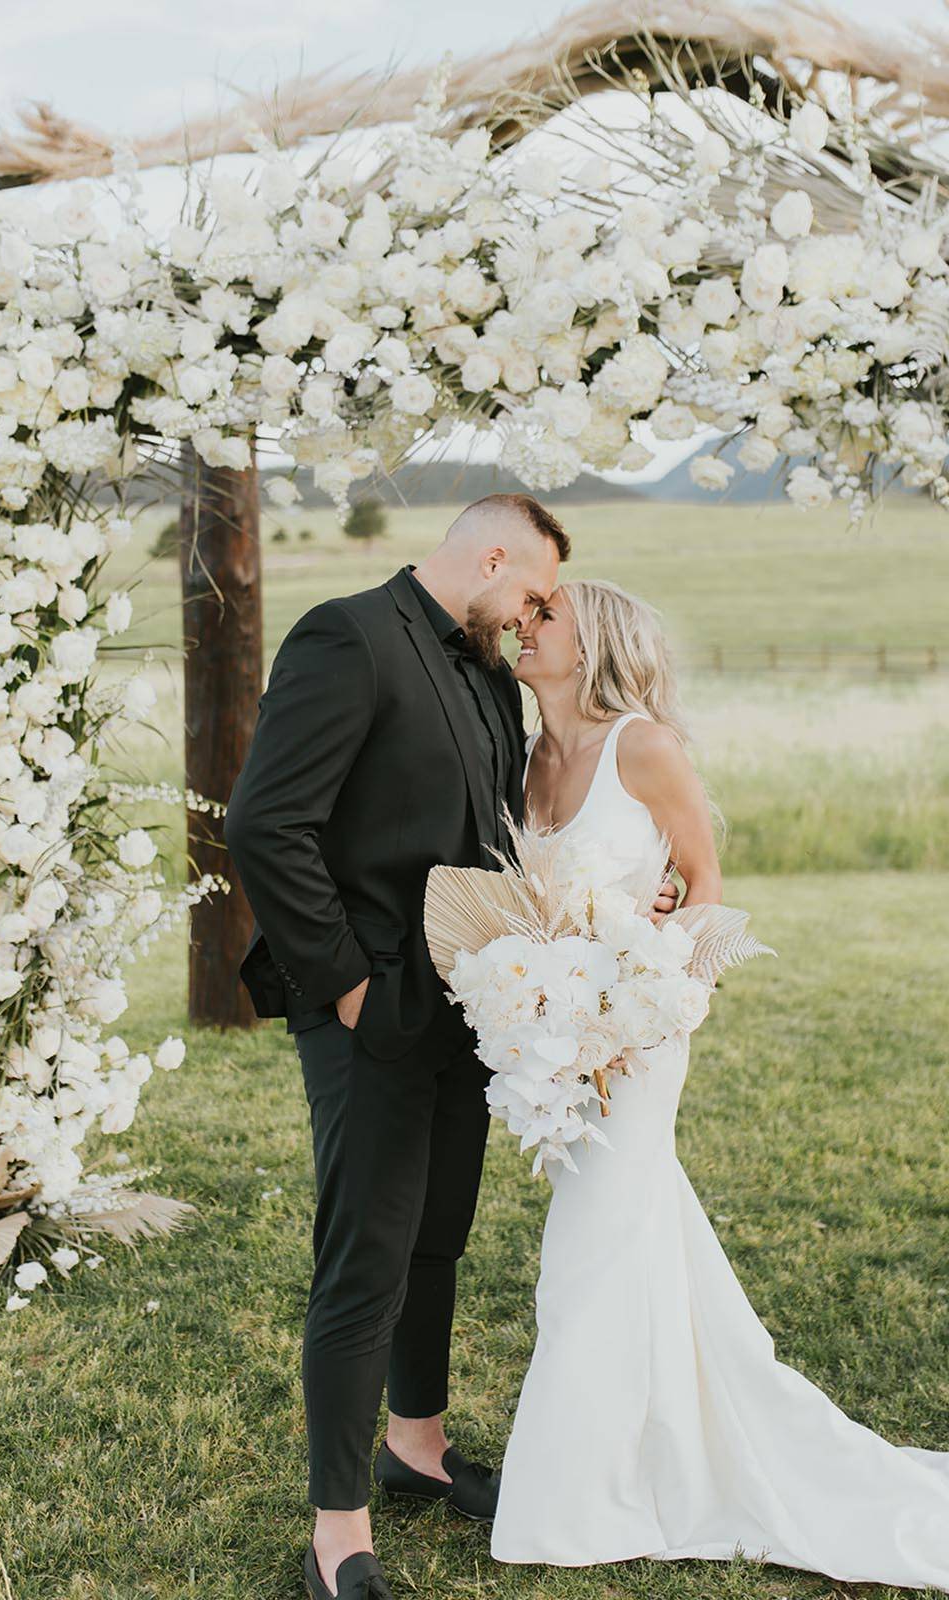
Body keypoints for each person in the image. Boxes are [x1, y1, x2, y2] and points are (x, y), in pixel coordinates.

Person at [489, 577, 949, 1599]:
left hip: (633, 1041)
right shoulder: (529, 757)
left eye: (544, 614)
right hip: (559, 1040)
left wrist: (641, 998)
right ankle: (652, 1456)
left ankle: (567, 1506)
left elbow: (705, 889)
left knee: (585, 1257)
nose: (524, 623)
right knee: (634, 1243)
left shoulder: (640, 746)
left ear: (592, 640)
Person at [223, 498, 682, 1600]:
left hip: (477, 1008)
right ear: (490, 556)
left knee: (438, 1235)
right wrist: (343, 991)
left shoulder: (483, 672)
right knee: (366, 1254)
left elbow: (502, 836)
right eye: (531, 594)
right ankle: (339, 1530)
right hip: (369, 1008)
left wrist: (616, 905)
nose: (532, 621)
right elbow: (263, 823)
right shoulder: (348, 637)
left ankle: (415, 1447)